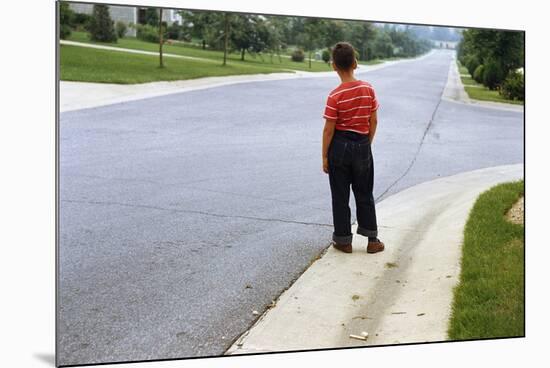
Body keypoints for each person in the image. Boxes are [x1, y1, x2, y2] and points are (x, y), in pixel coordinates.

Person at [321, 42, 385, 254]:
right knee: (364, 192)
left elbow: (329, 130)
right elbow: (373, 121)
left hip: (339, 147)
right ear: (355, 63)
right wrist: (367, 143)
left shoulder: (334, 96)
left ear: (333, 66)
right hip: (362, 145)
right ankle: (373, 240)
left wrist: (325, 157)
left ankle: (344, 241)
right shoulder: (368, 89)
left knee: (340, 195)